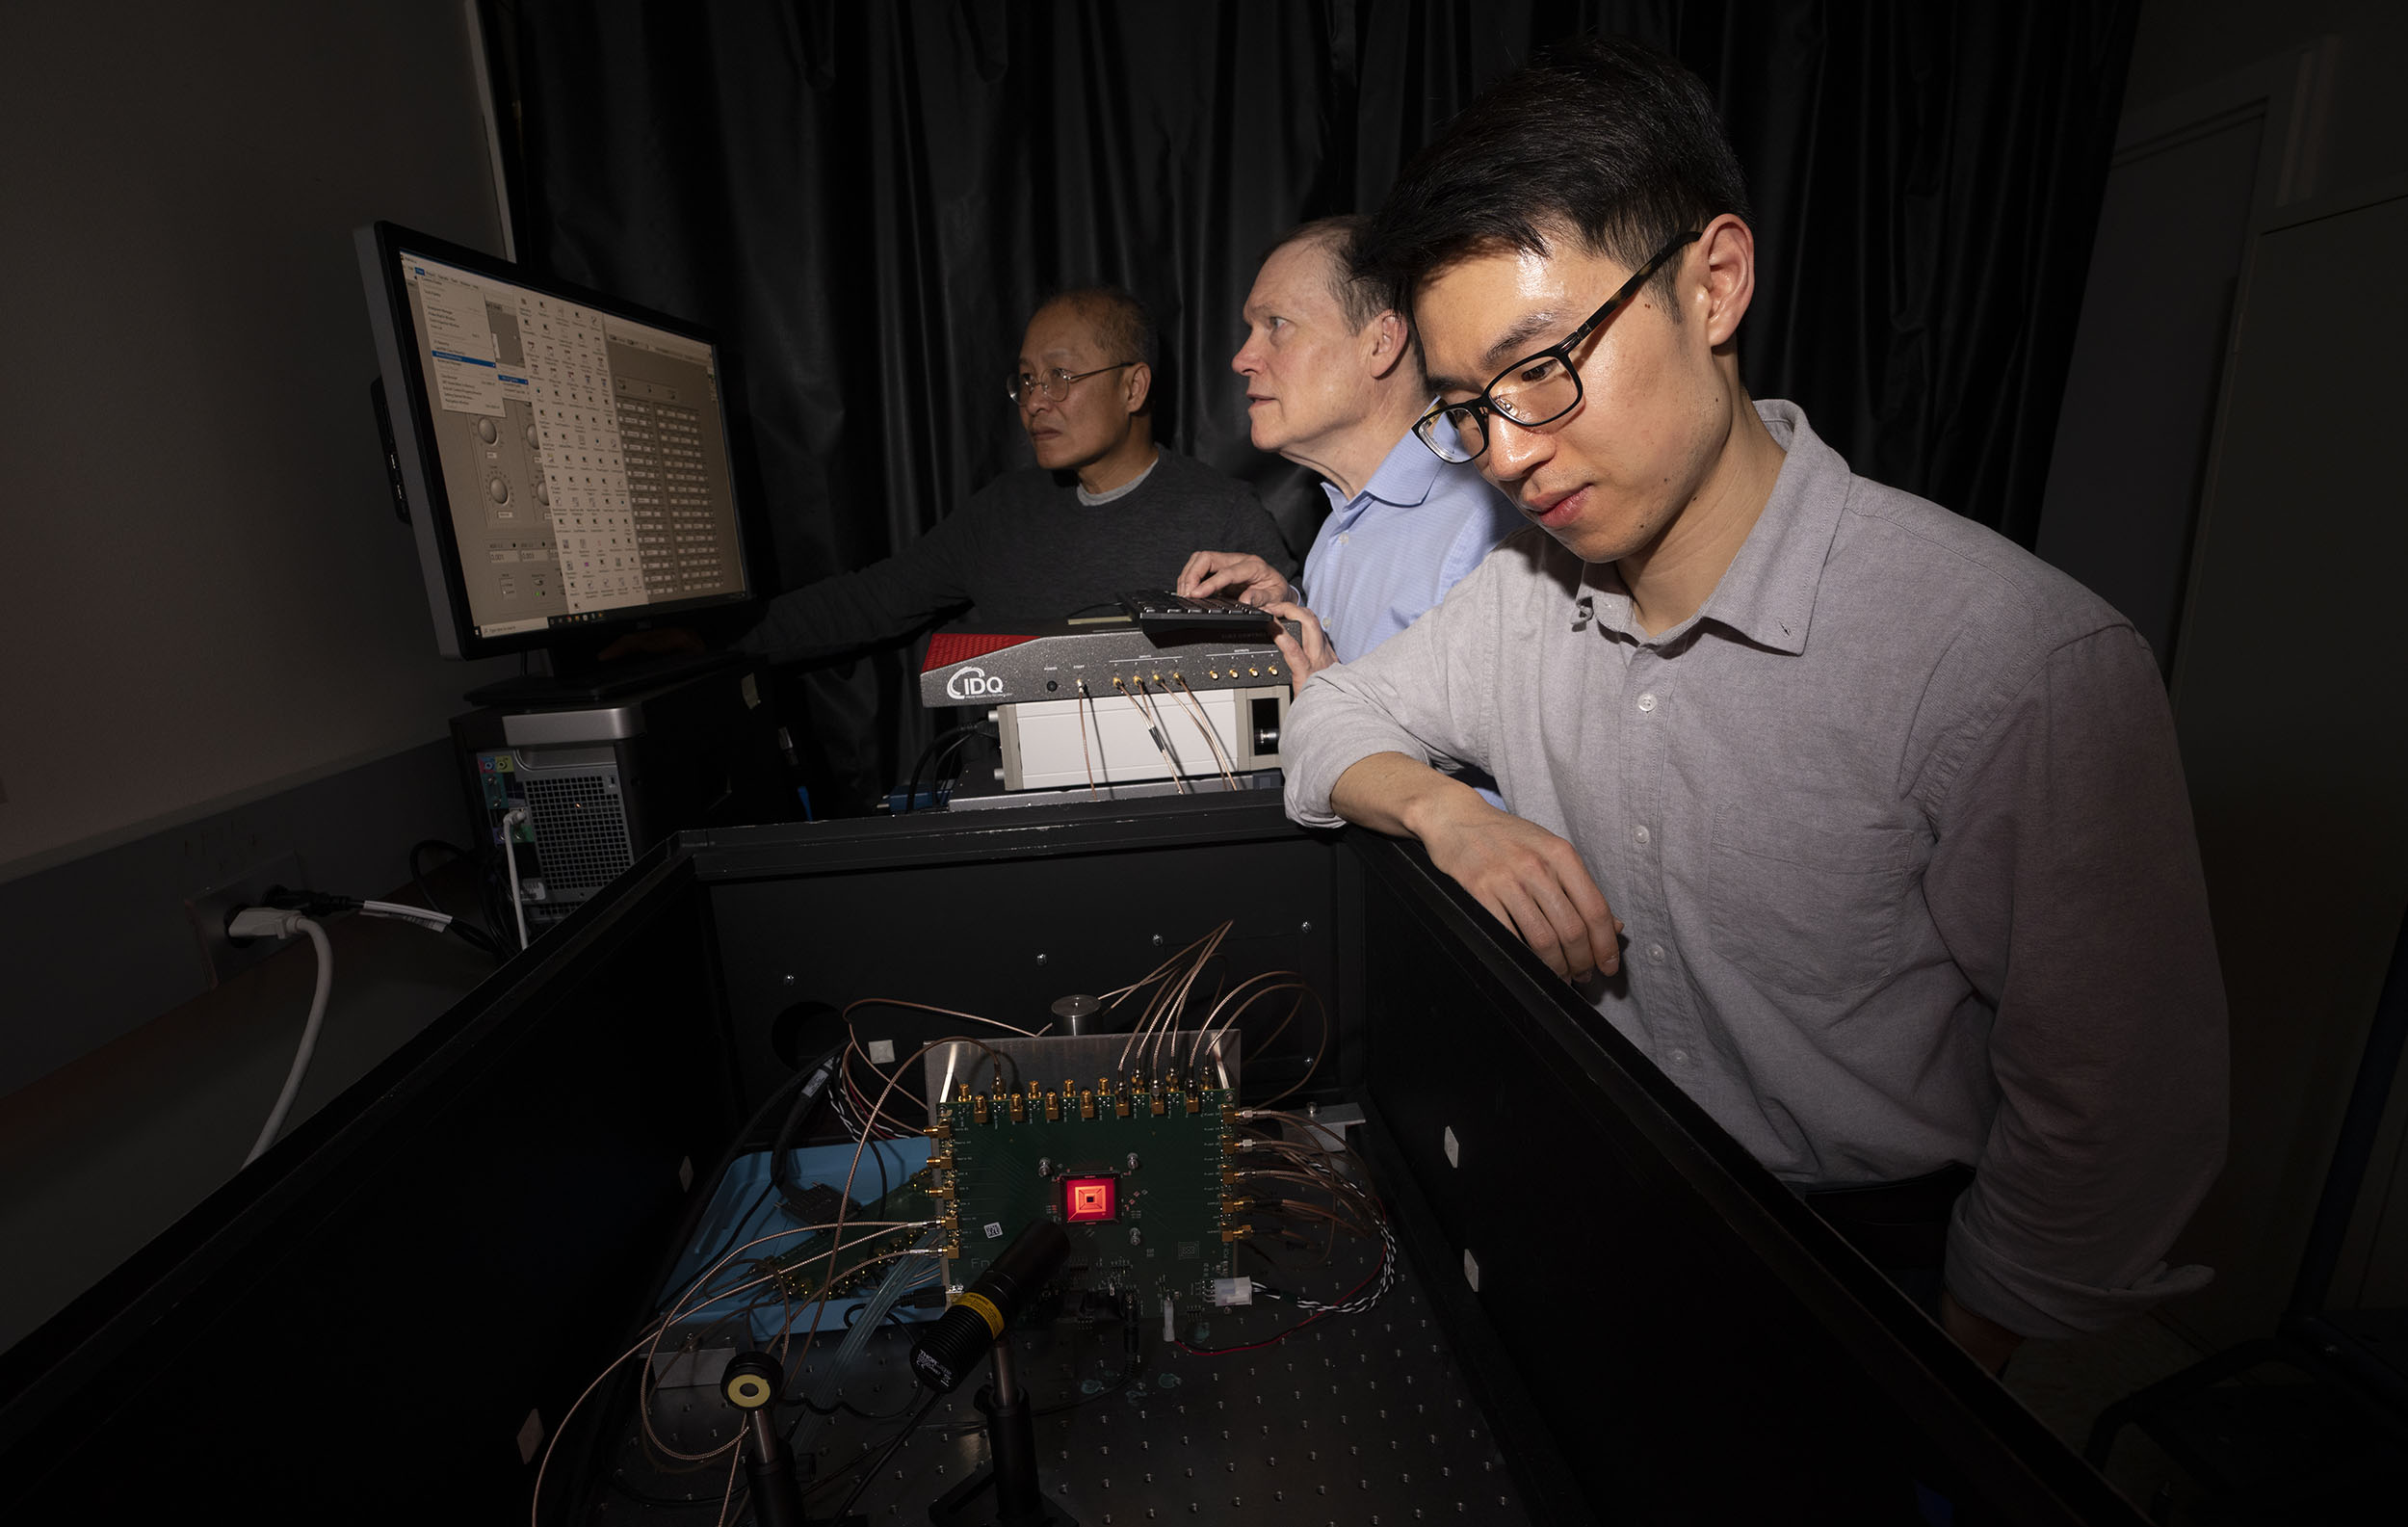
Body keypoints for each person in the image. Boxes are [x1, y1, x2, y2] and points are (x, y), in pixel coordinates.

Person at [1284, 36, 2227, 1374]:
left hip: (1872, 1262)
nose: (1509, 452)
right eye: (1465, 410)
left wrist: (1956, 1367)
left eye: (1544, 365)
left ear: (1714, 280)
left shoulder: (2016, 660)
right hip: (1604, 1185)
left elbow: (2115, 1109)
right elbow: (1323, 727)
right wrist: (1449, 813)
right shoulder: (1520, 598)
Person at [614, 286, 1290, 665]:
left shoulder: (1224, 517)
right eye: (1025, 379)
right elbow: (870, 600)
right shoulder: (1001, 513)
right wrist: (712, 642)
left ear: (1134, 387)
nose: (1036, 400)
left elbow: (1310, 654)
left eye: (1060, 375)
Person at [1174, 218, 1522, 689]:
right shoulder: (1347, 518)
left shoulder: (1486, 528)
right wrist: (1291, 612)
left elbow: (1501, 757)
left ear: (1381, 343)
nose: (1242, 358)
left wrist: (1331, 699)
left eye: (1277, 324)